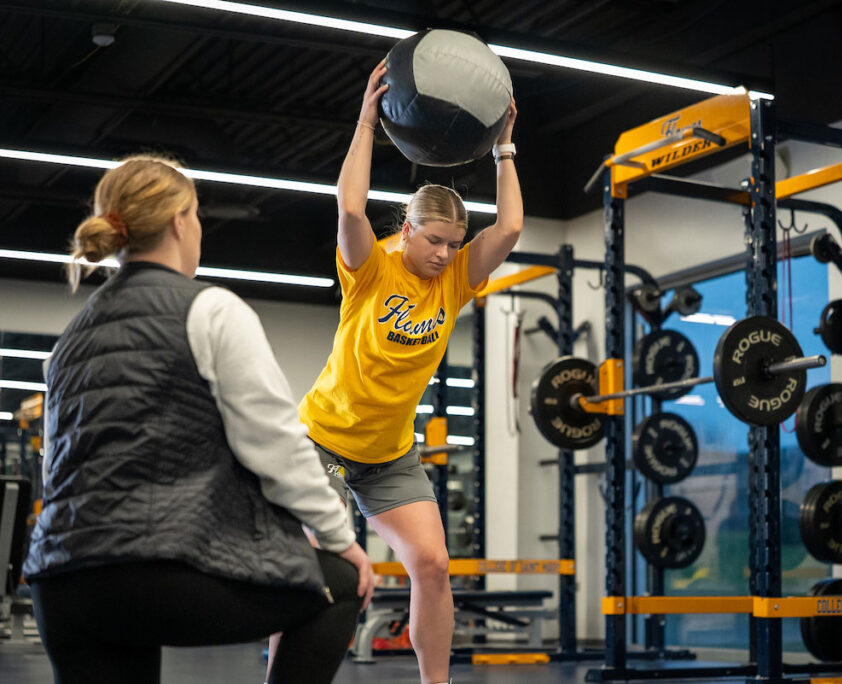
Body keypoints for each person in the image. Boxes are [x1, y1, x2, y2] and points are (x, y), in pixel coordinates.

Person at [22, 155, 375, 684]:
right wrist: (339, 538)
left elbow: (60, 467)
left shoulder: (69, 341)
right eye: (198, 217)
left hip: (62, 584)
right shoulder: (212, 311)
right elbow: (276, 445)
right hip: (161, 574)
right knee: (342, 583)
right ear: (178, 221)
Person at [296, 59, 522, 684]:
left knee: (433, 563)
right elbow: (348, 209)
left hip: (389, 454)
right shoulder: (372, 267)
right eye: (434, 241)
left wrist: (504, 146)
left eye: (453, 244)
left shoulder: (454, 281)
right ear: (408, 228)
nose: (444, 255)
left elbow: (510, 227)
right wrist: (367, 121)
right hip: (320, 444)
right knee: (324, 577)